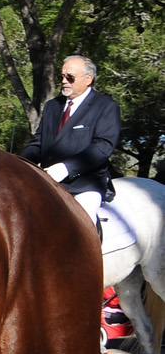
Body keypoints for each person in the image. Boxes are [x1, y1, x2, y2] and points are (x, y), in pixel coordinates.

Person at [20, 56, 120, 227]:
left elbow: (103, 147)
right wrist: (19, 163)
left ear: (88, 79)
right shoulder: (53, 106)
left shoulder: (106, 106)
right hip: (48, 180)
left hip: (85, 184)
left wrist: (67, 168)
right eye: (62, 76)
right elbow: (38, 142)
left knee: (83, 224)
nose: (64, 81)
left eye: (70, 77)